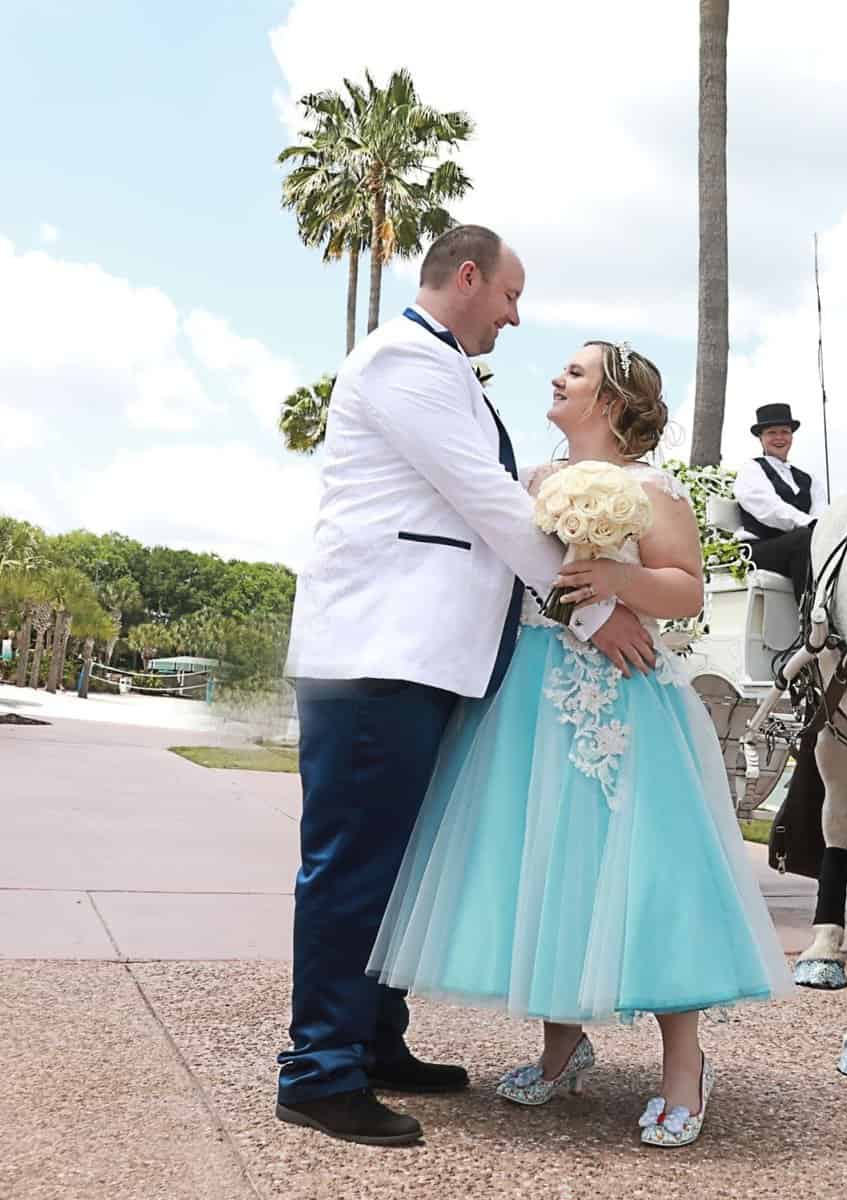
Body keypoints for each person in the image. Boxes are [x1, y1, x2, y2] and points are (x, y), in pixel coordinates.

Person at [277, 225, 659, 1148]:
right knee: (351, 864)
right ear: (469, 275)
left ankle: (375, 1041)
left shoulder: (439, 367)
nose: (516, 317)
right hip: (380, 653)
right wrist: (590, 608)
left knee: (392, 862)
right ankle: (319, 1070)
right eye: (510, 297)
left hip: (421, 658)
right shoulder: (407, 360)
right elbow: (490, 505)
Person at [369, 339, 793, 1150]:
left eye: (577, 371)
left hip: (623, 703)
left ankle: (683, 1066)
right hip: (527, 699)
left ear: (612, 401)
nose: (558, 376)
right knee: (543, 864)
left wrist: (615, 582)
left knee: (647, 876)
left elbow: (686, 589)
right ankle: (562, 1047)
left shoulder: (649, 489)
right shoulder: (527, 483)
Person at [732, 403, 826, 595]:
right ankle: (808, 617)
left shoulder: (809, 479)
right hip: (758, 550)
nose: (779, 438)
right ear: (761, 438)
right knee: (803, 539)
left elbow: (822, 510)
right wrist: (809, 524)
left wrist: (824, 528)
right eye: (772, 432)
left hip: (801, 546)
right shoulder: (751, 469)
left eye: (784, 432)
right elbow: (770, 509)